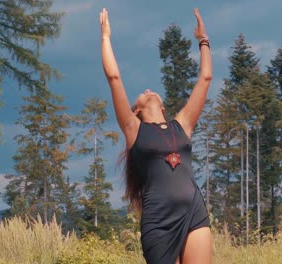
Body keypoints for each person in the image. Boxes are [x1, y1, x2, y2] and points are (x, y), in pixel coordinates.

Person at [100, 7, 212, 264]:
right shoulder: (134, 130)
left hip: (193, 211)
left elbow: (205, 78)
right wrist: (106, 37)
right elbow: (114, 77)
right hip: (159, 222)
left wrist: (203, 40)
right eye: (143, 92)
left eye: (152, 90)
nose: (149, 89)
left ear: (163, 107)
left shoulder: (182, 124)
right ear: (135, 110)